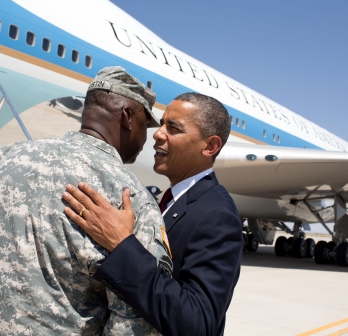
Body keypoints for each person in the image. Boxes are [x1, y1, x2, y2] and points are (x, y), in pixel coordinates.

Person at [0, 66, 169, 335]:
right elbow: (135, 319)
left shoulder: (5, 159)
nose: (146, 138)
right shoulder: (130, 200)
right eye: (145, 126)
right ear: (127, 117)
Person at [62, 92, 243, 336]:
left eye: (174, 128)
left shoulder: (217, 215)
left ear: (210, 146)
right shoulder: (170, 202)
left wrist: (122, 245)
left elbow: (198, 322)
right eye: (161, 124)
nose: (157, 133)